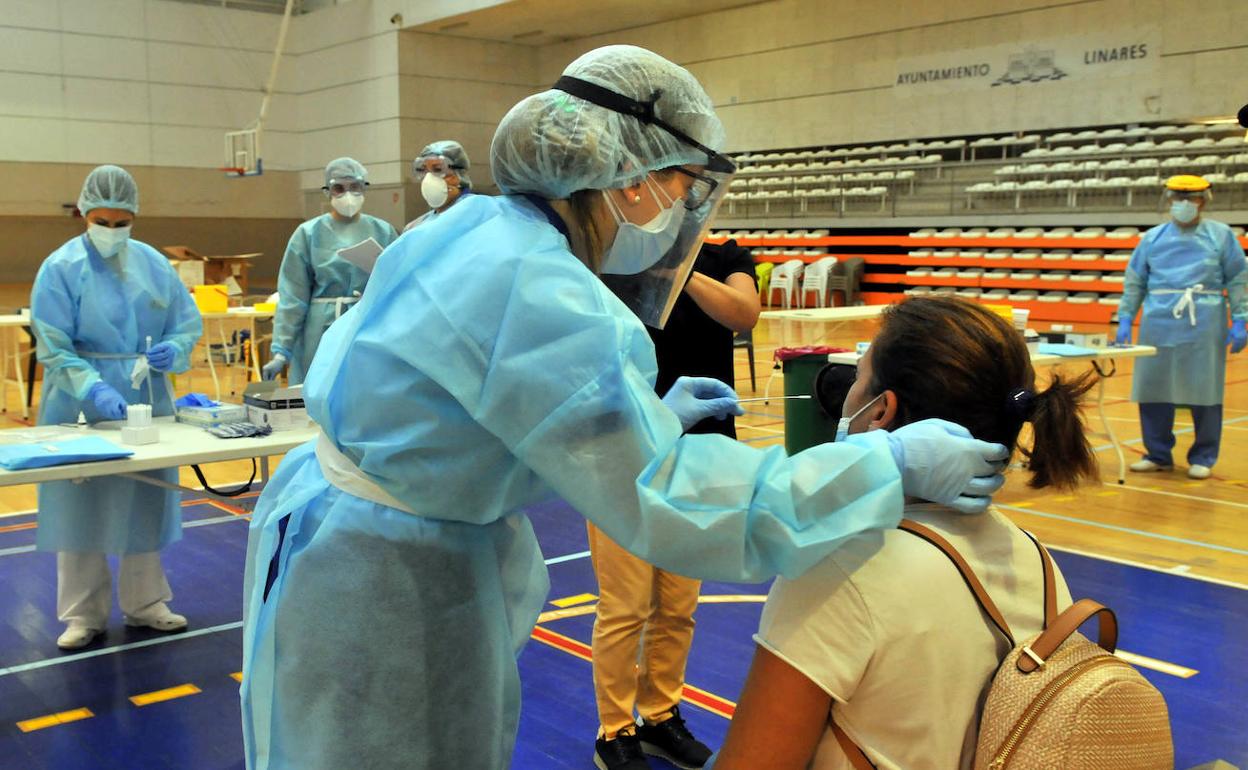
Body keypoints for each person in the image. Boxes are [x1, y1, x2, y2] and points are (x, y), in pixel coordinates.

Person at [239, 46, 1008, 770]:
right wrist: (883, 464)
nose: (682, 208)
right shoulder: (540, 288)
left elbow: (478, 421)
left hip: (339, 537)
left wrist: (643, 420)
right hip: (383, 586)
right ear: (631, 177)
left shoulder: (472, 226)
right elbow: (673, 504)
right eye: (682, 185)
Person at [712, 297, 1099, 770]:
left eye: (857, 377)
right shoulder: (1034, 556)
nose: (847, 391)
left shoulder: (838, 569)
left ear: (880, 413)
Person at [589, 238, 760, 770]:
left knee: (679, 605)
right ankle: (614, 730)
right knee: (626, 604)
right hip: (624, 452)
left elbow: (743, 312)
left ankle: (661, 715)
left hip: (702, 454)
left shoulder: (726, 257)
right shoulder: (608, 258)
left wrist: (676, 268)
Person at [31, 165, 203, 650]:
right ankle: (81, 614)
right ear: (84, 213)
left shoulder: (153, 264)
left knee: (142, 497)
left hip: (145, 393)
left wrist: (175, 349)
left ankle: (147, 603)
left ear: (135, 217)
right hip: (78, 399)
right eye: (101, 221)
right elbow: (54, 345)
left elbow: (184, 324)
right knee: (79, 502)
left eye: (120, 221)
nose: (111, 230)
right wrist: (92, 387)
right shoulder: (61, 268)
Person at [1116, 175, 1247, 480]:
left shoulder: (1221, 236)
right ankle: (1157, 453)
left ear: (1204, 201)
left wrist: (1241, 318)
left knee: (1205, 388)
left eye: (1193, 198)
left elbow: (1239, 279)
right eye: (1179, 198)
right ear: (1169, 200)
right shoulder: (1153, 238)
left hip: (1205, 318)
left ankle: (1203, 455)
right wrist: (1124, 318)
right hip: (1158, 320)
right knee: (1153, 386)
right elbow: (1135, 280)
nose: (1185, 204)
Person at [263, 157, 399, 384]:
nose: (348, 194)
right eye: (339, 188)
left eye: (355, 187)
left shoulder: (383, 231)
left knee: (362, 390)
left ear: (364, 188)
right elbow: (292, 297)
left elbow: (397, 287)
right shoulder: (308, 234)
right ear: (327, 191)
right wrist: (281, 351)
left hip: (365, 326)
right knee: (319, 388)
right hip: (319, 331)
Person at [404, 140, 474, 231]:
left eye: (438, 169)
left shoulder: (479, 217)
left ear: (459, 175)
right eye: (423, 170)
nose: (428, 177)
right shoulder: (414, 229)